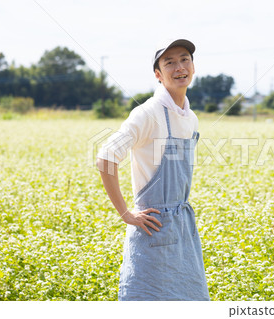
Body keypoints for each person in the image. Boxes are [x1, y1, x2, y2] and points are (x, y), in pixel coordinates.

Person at [96, 39, 210, 301]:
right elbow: (106, 158)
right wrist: (126, 213)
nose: (179, 67)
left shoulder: (190, 117)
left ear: (193, 67)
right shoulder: (147, 113)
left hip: (182, 229)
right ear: (158, 75)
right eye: (169, 62)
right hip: (153, 228)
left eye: (184, 59)